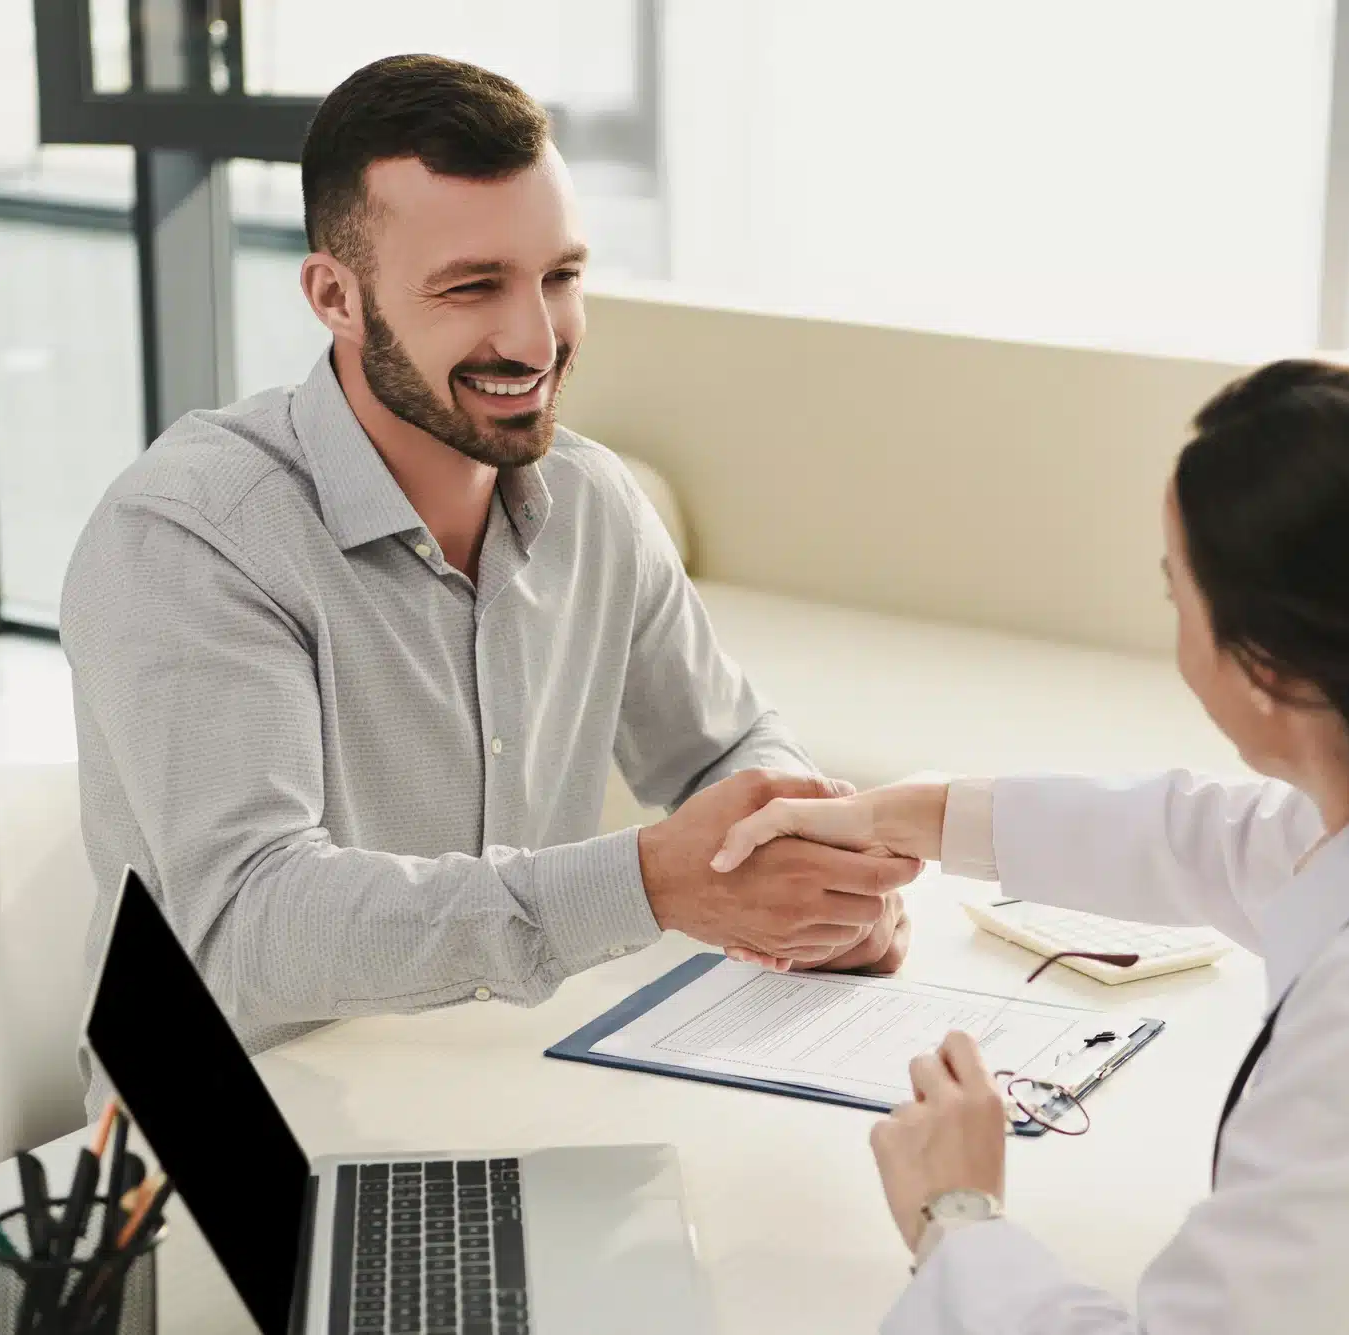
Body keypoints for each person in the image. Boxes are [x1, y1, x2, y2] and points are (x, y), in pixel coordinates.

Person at [711, 360, 1349, 1333]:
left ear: (1262, 667)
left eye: (1178, 594)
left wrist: (953, 1215)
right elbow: (1206, 839)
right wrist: (910, 816)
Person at [61, 54, 916, 1109]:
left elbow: (727, 750)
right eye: (473, 287)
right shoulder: (192, 537)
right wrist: (647, 883)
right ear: (335, 295)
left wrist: (809, 872)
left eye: (557, 276)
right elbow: (248, 925)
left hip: (513, 1078)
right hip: (237, 1129)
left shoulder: (593, 503)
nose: (534, 337)